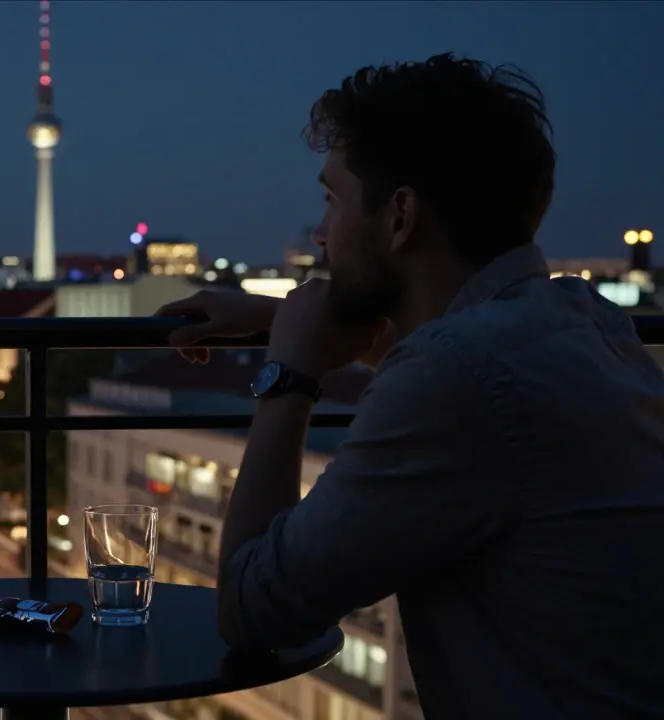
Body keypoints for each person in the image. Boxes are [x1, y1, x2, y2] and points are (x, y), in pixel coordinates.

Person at [158, 54, 664, 718]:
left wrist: (289, 376)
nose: (319, 232)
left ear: (399, 217)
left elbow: (254, 609)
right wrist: (288, 320)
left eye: (332, 199)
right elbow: (466, 369)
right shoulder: (589, 320)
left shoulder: (454, 380)